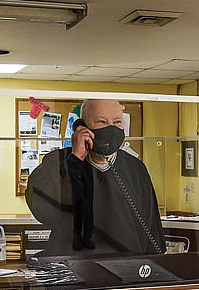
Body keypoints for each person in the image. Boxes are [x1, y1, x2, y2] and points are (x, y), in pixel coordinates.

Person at [25, 99, 166, 256]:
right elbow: (43, 210)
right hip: (75, 267)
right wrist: (75, 160)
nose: (111, 128)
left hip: (128, 268)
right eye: (102, 122)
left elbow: (150, 224)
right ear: (82, 127)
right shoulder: (58, 162)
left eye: (117, 122)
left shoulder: (135, 167)